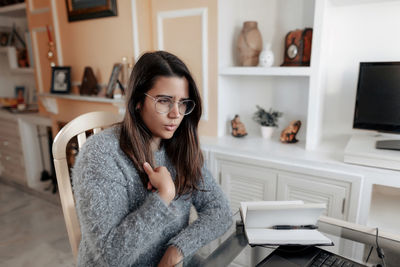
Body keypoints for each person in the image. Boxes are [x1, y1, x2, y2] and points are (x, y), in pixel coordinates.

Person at [72, 51, 233, 267]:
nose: (176, 113)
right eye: (165, 101)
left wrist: (177, 250)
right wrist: (163, 197)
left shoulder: (182, 147)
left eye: (183, 102)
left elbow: (220, 211)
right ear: (138, 101)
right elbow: (110, 258)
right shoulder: (100, 154)